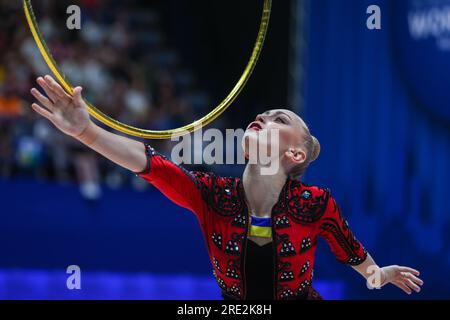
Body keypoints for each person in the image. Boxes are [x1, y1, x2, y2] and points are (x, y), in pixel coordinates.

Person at [29, 75, 424, 300]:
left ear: (297, 156)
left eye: (278, 118)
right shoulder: (211, 194)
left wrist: (379, 275)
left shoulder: (315, 203)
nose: (262, 115)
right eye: (263, 113)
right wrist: (85, 131)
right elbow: (149, 163)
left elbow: (352, 253)